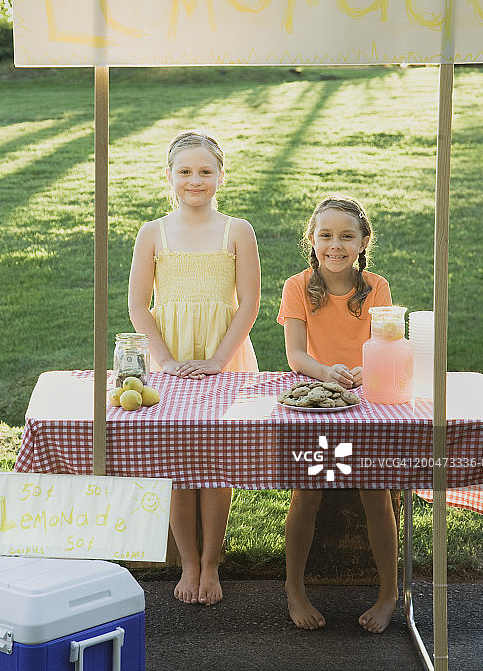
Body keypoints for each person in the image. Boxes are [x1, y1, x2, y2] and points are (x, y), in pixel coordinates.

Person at [128, 130, 260, 606]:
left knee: (217, 462)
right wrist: (164, 360)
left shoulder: (237, 230)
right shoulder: (153, 232)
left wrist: (218, 360)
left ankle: (211, 562)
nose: (195, 180)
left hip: (224, 354)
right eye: (185, 171)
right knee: (179, 464)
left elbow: (249, 304)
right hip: (170, 355)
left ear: (221, 175)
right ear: (169, 176)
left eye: (205, 171)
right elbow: (138, 305)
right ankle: (186, 560)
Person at [277, 195, 398, 633]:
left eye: (347, 236)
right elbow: (295, 355)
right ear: (312, 239)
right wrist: (328, 372)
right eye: (326, 235)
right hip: (317, 399)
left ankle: (388, 595)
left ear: (364, 242)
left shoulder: (376, 288)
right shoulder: (297, 286)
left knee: (375, 493)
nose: (336, 245)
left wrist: (362, 371)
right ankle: (294, 589)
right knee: (307, 493)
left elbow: (383, 343)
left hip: (364, 399)